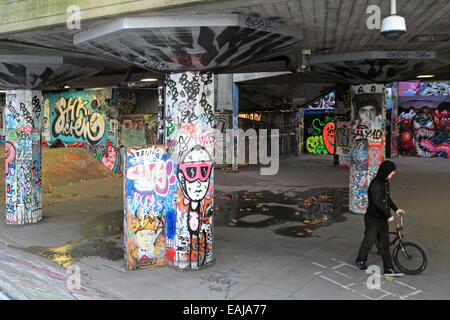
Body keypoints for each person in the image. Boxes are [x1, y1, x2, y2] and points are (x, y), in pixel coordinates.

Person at [355, 160, 406, 277]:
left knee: (384, 245)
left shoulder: (385, 182)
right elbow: (378, 202)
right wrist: (388, 215)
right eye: (392, 172)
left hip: (382, 219)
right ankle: (360, 260)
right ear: (386, 172)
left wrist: (396, 209)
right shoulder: (376, 185)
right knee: (368, 241)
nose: (393, 174)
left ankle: (388, 269)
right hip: (373, 219)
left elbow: (387, 198)